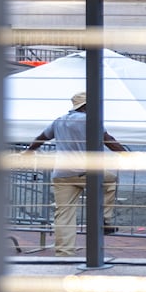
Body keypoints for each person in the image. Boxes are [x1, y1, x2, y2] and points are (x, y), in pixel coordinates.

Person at [23, 91, 127, 256]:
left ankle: (64, 252)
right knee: (111, 180)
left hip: (62, 173)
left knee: (64, 214)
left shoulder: (59, 121)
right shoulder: (91, 120)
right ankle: (104, 220)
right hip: (87, 171)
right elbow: (109, 140)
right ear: (87, 105)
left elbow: (41, 138)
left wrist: (28, 153)